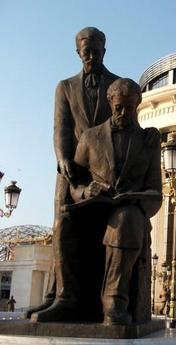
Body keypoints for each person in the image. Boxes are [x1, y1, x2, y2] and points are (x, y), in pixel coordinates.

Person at [30, 27, 120, 322]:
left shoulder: (117, 85)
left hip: (105, 168)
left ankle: (96, 299)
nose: (91, 56)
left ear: (104, 50)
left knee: (101, 228)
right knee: (61, 223)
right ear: (78, 52)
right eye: (86, 52)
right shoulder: (65, 86)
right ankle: (62, 297)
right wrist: (62, 159)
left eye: (96, 51)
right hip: (72, 168)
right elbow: (60, 128)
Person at [70, 78, 162, 325]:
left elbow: (156, 192)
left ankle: (114, 300)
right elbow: (73, 184)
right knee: (64, 224)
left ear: (138, 106)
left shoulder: (149, 141)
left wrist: (136, 199)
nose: (123, 113)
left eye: (129, 108)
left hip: (129, 212)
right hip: (92, 210)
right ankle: (66, 298)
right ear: (111, 103)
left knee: (127, 217)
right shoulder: (90, 137)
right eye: (118, 107)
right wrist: (87, 191)